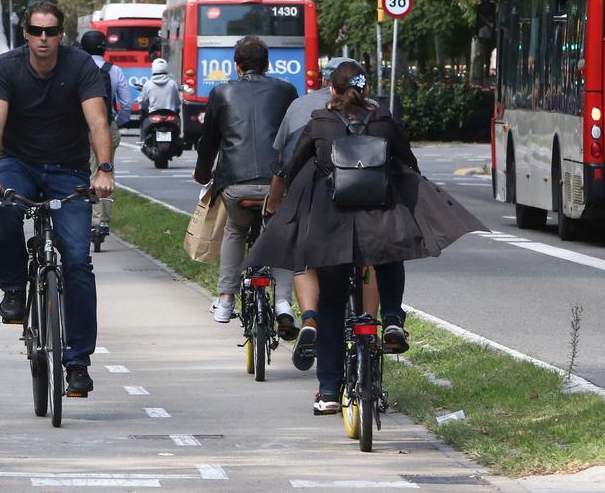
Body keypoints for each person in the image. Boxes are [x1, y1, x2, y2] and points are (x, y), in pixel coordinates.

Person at [244, 61, 485, 414]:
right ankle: (390, 319)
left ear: (331, 90)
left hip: (331, 227)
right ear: (365, 90)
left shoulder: (320, 122)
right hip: (379, 217)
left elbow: (290, 168)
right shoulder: (383, 120)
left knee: (330, 304)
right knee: (389, 254)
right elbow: (410, 165)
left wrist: (281, 201)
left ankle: (328, 391)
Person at [0, 2, 115, 398]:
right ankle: (13, 291)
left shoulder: (80, 67)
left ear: (61, 35)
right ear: (26, 34)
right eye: (37, 31)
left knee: (77, 261)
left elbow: (97, 121)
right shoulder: (6, 67)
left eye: (51, 32)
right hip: (18, 163)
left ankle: (77, 363)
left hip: (67, 169)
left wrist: (103, 170)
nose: (43, 39)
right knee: (4, 208)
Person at [266, 56, 368, 370]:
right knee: (377, 260)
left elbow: (286, 163)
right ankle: (381, 321)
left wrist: (275, 203)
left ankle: (310, 317)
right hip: (370, 210)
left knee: (307, 259)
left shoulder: (311, 114)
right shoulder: (379, 114)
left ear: (328, 84)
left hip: (322, 208)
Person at [193, 35, 298, 335]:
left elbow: (208, 142)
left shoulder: (220, 92)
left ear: (236, 66)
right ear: (267, 65)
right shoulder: (287, 91)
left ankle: (226, 298)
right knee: (280, 237)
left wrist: (203, 175)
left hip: (235, 185)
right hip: (276, 186)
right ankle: (283, 305)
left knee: (235, 230)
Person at [80, 30, 133, 244]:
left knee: (88, 172)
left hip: (82, 127)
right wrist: (115, 123)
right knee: (106, 172)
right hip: (108, 127)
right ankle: (102, 221)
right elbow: (127, 104)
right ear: (104, 48)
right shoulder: (115, 70)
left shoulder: (78, 69)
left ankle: (91, 218)